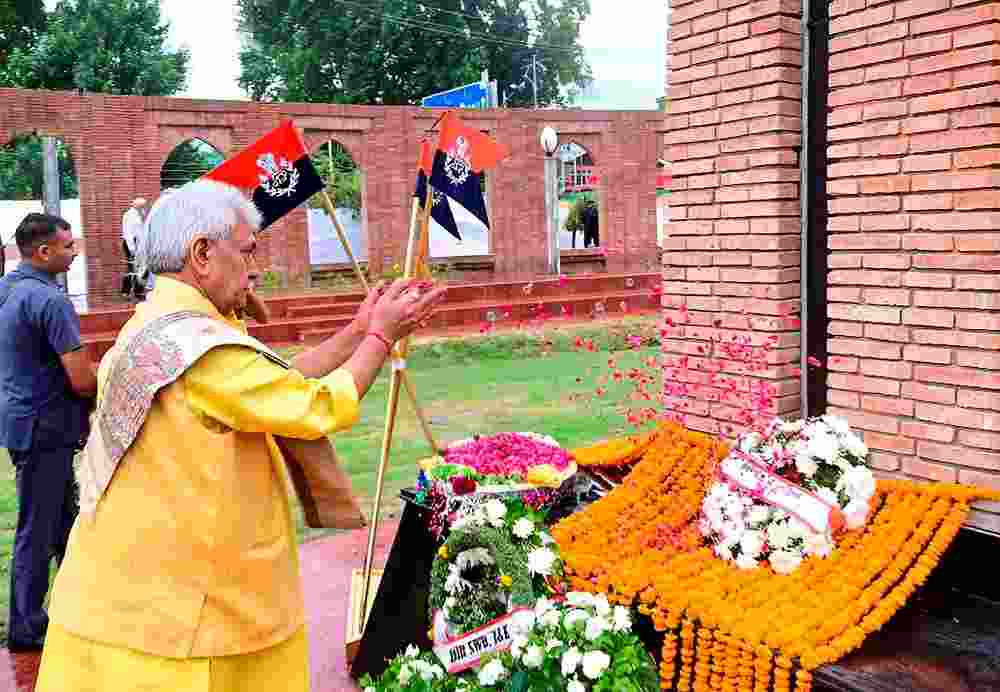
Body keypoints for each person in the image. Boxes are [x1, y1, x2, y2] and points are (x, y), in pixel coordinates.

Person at [35, 179, 445, 691]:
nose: (255, 270)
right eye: (248, 251)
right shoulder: (198, 346)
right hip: (180, 614)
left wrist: (360, 330)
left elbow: (274, 381)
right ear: (203, 253)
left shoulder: (160, 322)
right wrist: (383, 336)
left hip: (124, 588)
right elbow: (313, 406)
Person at [0, 213, 98, 652]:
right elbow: (80, 379)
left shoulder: (7, 290)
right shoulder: (51, 301)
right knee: (38, 529)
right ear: (44, 252)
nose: (74, 253)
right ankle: (25, 627)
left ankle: (81, 607)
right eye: (67, 246)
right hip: (46, 428)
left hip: (22, 422)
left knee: (64, 524)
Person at [121, 197, 148, 299]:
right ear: (136, 205)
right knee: (133, 267)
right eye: (142, 206)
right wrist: (132, 248)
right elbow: (127, 232)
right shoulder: (130, 215)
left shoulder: (139, 213)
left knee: (140, 268)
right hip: (132, 243)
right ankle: (128, 291)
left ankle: (136, 291)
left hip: (139, 243)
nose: (144, 208)